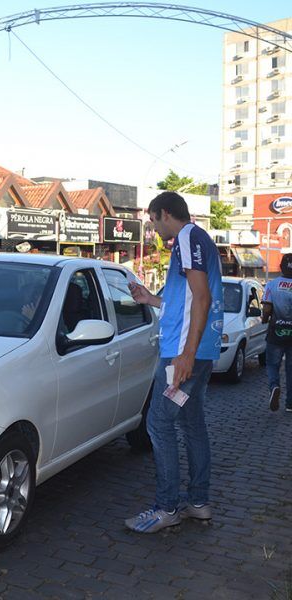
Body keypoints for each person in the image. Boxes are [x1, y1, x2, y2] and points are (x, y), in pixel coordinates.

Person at [125, 191, 224, 534]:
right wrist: (149, 298)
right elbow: (184, 302)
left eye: (152, 221)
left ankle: (167, 508)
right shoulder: (192, 240)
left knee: (158, 424)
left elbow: (202, 297)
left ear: (164, 214)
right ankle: (198, 503)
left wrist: (186, 355)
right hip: (193, 350)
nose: (152, 228)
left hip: (182, 355)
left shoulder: (187, 237)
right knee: (192, 423)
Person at [261, 253, 292, 413]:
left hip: (276, 333)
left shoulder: (272, 285)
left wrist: (264, 319)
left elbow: (267, 308)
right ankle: (290, 404)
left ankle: (274, 386)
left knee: (273, 364)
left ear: (281, 266)